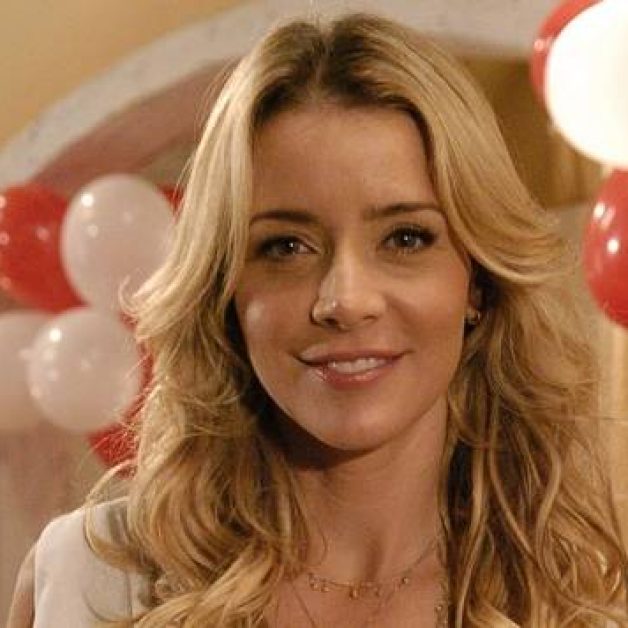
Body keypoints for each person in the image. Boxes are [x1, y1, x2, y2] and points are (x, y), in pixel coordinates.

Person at [8, 11, 628, 627]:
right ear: (224, 289)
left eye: (405, 238)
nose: (346, 299)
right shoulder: (90, 579)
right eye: (285, 246)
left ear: (477, 282)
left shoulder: (571, 610)